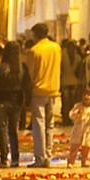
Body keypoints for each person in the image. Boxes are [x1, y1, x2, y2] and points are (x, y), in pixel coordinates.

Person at [0, 45, 32, 167]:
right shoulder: (22, 68)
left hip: (1, 101)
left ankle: (4, 159)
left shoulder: (1, 68)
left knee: (2, 131)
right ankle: (15, 158)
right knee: (13, 131)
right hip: (16, 102)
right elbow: (27, 85)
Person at [26, 23, 62, 167]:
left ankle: (40, 157)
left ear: (35, 34)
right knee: (50, 124)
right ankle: (48, 154)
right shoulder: (56, 47)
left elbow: (31, 73)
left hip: (38, 90)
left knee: (39, 124)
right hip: (53, 88)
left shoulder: (34, 50)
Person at [67, 88, 90, 167]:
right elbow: (71, 115)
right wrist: (76, 114)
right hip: (78, 128)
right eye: (85, 95)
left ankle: (85, 161)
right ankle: (71, 162)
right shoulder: (78, 105)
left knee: (87, 147)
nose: (86, 97)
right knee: (74, 146)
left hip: (88, 129)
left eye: (89, 95)